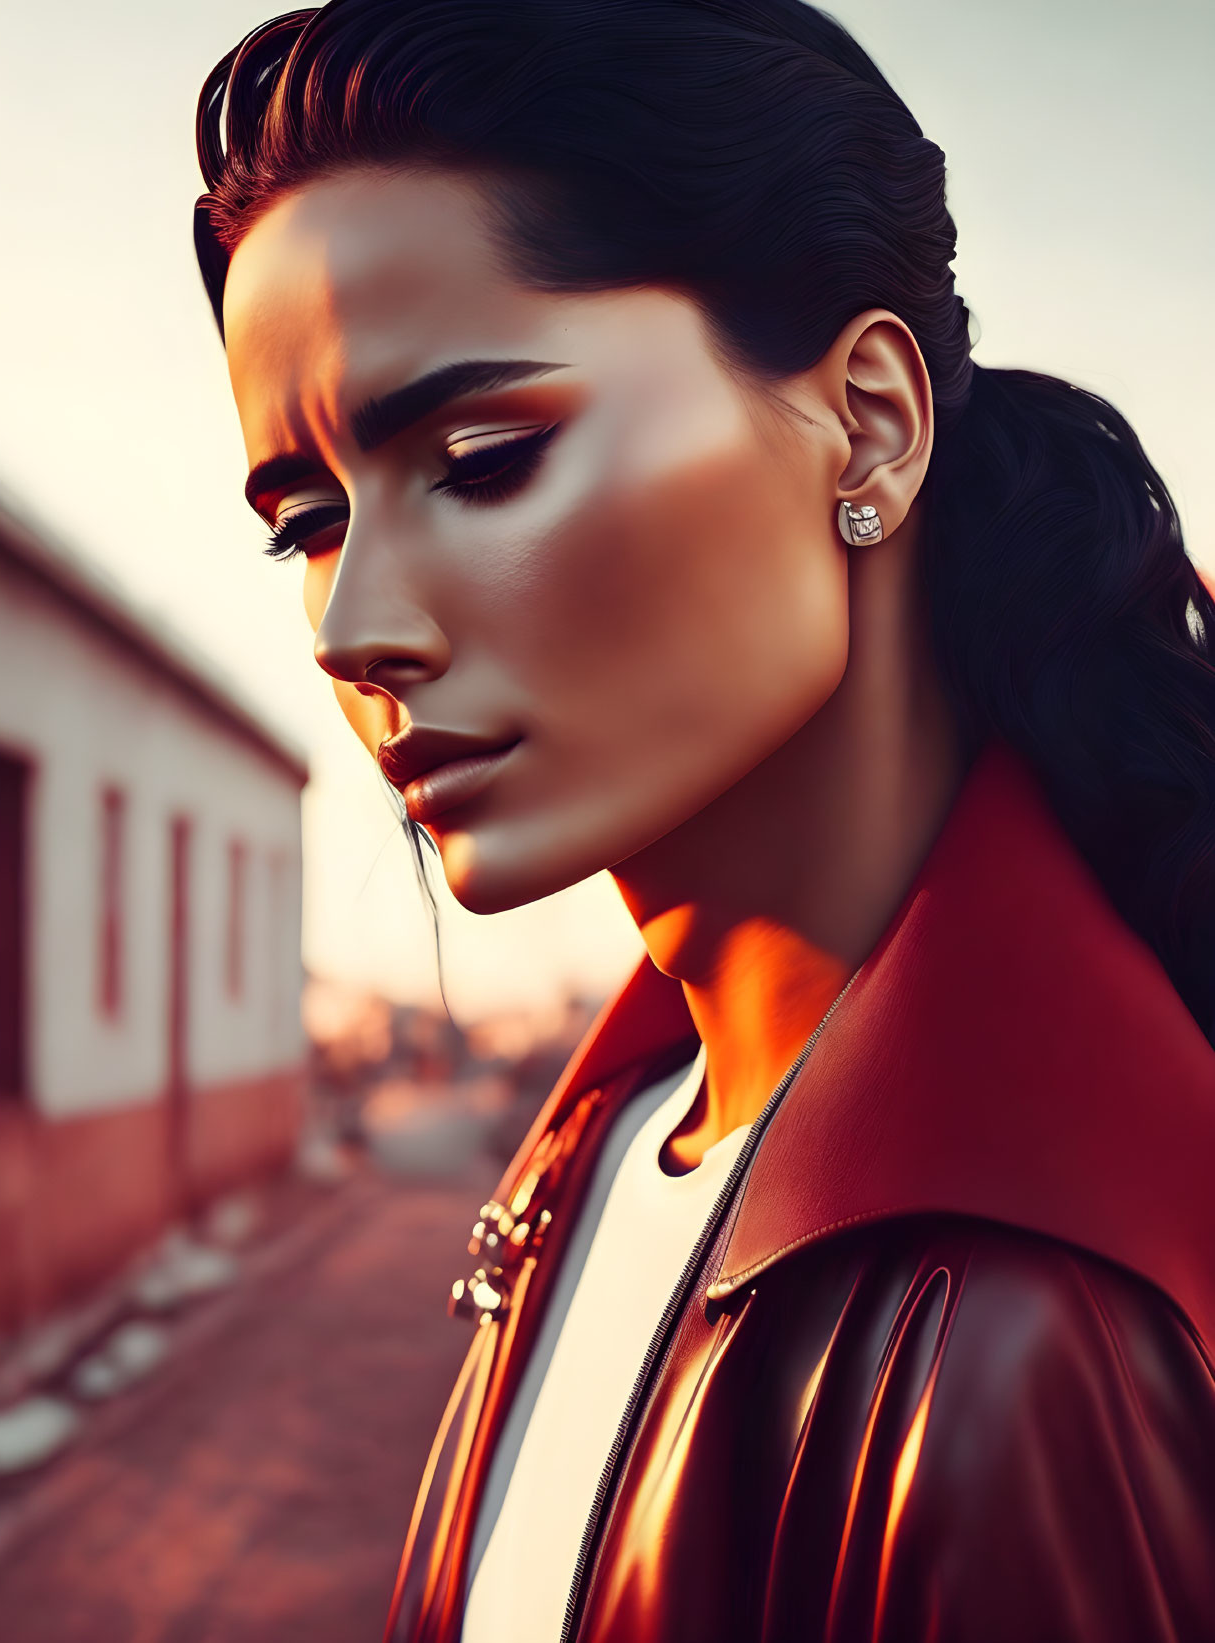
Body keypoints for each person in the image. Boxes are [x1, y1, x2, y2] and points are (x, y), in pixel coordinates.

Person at [191, 2, 1215, 1637]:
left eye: (480, 458)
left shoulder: (1023, 1330)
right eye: (306, 523)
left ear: (865, 424)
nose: (351, 627)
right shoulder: (610, 1128)